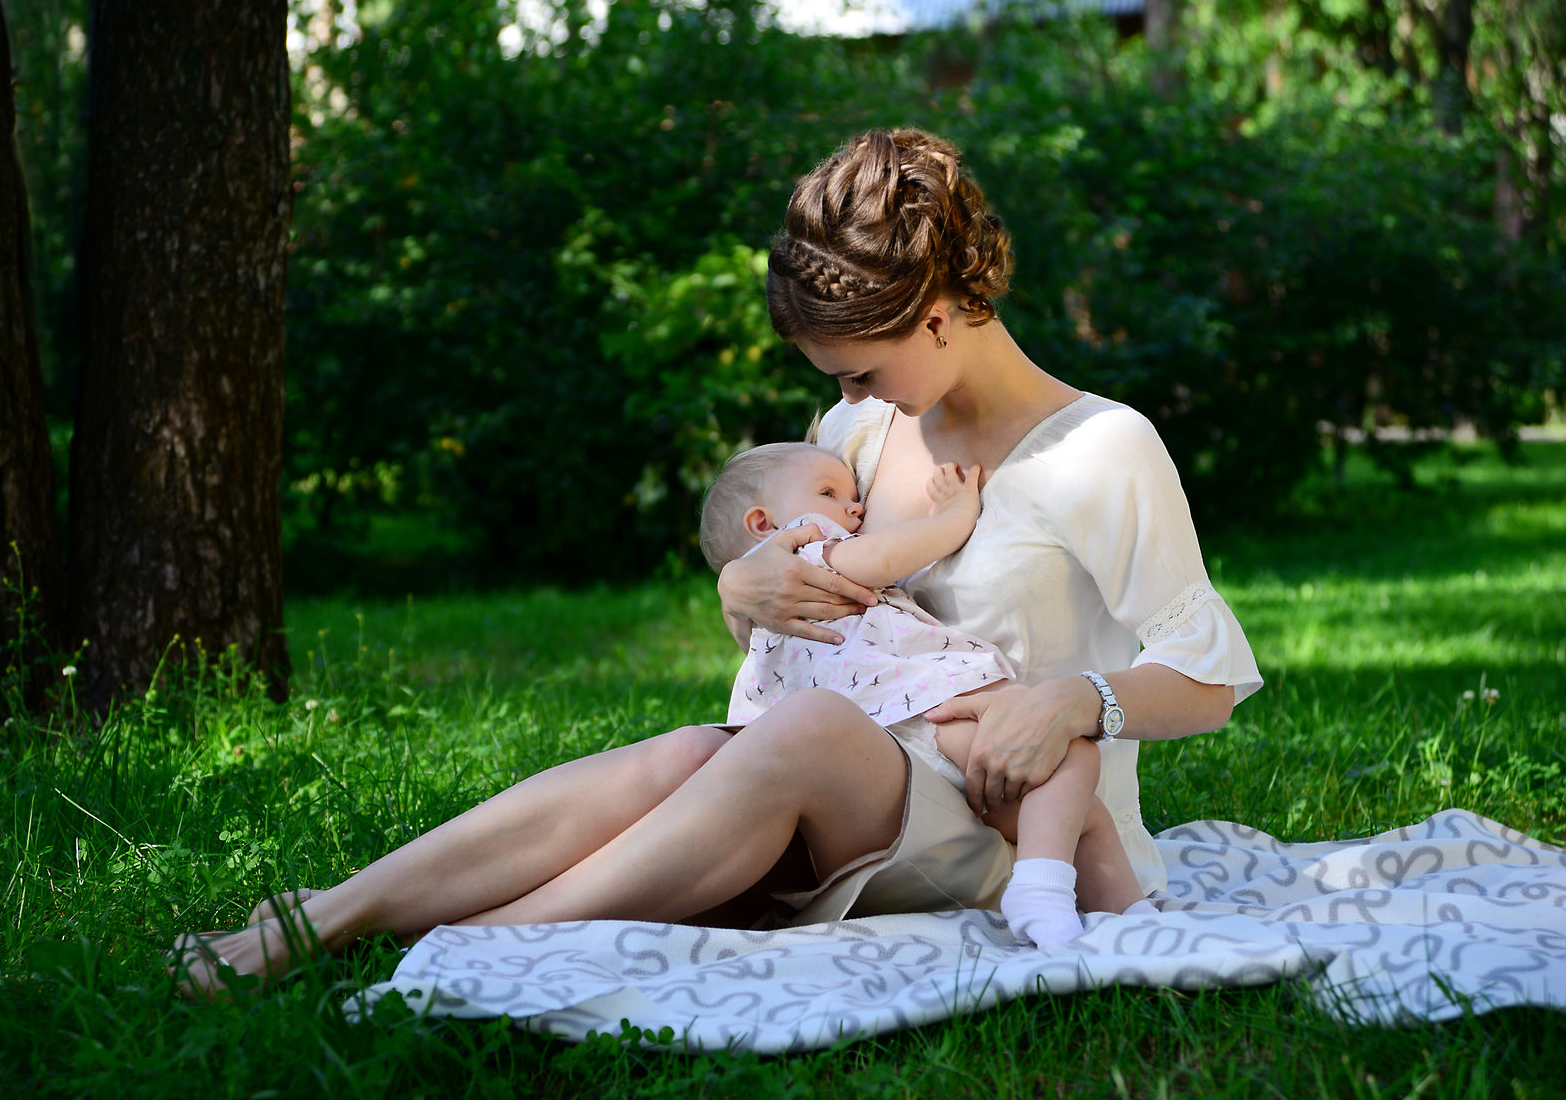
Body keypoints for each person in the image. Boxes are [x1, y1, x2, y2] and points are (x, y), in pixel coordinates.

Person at [172, 128, 1261, 998]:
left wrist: (1076, 698)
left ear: (938, 318)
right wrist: (744, 594)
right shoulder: (865, 440)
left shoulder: (1100, 448)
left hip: (1021, 830)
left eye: (862, 373)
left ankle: (480, 940)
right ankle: (327, 912)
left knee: (802, 733)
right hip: (859, 774)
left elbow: (1210, 680)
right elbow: (813, 624)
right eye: (836, 380)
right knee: (692, 746)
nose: (849, 402)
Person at [699, 441, 1157, 946]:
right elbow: (894, 554)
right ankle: (1041, 890)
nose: (854, 508)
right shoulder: (811, 550)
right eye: (828, 492)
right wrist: (957, 511)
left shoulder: (763, 618)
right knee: (1068, 754)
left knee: (1069, 813)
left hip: (875, 763)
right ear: (764, 524)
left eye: (854, 495)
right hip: (910, 718)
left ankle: (1125, 916)